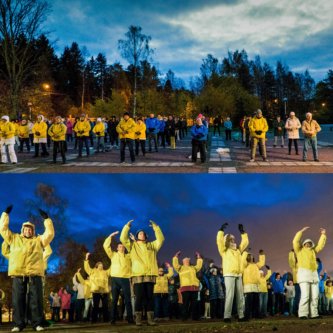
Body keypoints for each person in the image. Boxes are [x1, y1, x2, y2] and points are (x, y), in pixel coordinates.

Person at [0, 205, 54, 332]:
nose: (28, 231)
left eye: (30, 229)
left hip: (35, 273)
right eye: (26, 229)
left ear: (33, 231)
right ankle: (18, 324)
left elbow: (50, 234)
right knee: (18, 299)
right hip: (18, 273)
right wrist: (5, 214)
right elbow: (3, 229)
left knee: (36, 299)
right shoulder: (14, 238)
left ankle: (37, 324)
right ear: (22, 230)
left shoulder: (39, 240)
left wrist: (47, 219)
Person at [120, 219, 164, 326]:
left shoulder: (152, 246)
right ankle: (138, 319)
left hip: (149, 275)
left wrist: (156, 227)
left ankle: (150, 320)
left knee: (150, 298)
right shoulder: (132, 246)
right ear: (137, 236)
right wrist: (127, 226)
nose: (142, 234)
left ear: (146, 236)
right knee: (139, 297)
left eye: (143, 233)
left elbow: (161, 239)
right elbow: (122, 238)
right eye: (139, 233)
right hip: (138, 275)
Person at [216, 223, 248, 322]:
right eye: (230, 239)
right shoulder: (224, 250)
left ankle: (241, 315)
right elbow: (219, 242)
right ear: (226, 240)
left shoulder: (238, 250)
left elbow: (245, 243)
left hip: (238, 274)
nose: (233, 240)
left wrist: (243, 233)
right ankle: (227, 316)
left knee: (240, 296)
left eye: (233, 239)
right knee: (230, 295)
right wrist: (221, 231)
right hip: (229, 274)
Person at [293, 226, 326, 319]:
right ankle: (303, 314)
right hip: (303, 275)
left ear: (311, 244)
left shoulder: (313, 251)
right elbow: (295, 242)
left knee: (315, 296)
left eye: (309, 243)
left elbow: (320, 246)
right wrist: (301, 231)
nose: (308, 244)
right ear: (303, 244)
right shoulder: (299, 251)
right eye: (306, 243)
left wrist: (323, 235)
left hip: (314, 275)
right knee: (305, 295)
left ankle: (314, 314)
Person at [103, 231, 134, 325]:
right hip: (115, 279)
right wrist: (110, 236)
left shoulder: (129, 256)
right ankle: (112, 320)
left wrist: (133, 241)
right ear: (117, 248)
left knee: (128, 300)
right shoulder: (113, 255)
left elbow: (134, 251)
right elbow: (106, 246)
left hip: (125, 279)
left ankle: (130, 319)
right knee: (114, 300)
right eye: (120, 246)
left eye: (123, 246)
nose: (122, 248)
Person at [172, 251, 203, 321]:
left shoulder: (193, 268)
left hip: (194, 288)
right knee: (185, 304)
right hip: (185, 288)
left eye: (188, 260)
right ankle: (184, 317)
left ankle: (194, 317)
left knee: (194, 304)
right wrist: (176, 256)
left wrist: (199, 257)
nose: (187, 261)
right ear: (183, 262)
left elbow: (199, 266)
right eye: (186, 261)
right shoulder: (180, 268)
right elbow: (175, 265)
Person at [83, 252, 110, 323]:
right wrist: (86, 258)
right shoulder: (93, 271)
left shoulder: (105, 272)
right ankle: (94, 320)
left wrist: (113, 260)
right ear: (97, 266)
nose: (101, 266)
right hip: (96, 291)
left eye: (102, 265)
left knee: (105, 306)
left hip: (104, 291)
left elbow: (111, 269)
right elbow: (86, 268)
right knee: (95, 306)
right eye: (100, 265)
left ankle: (106, 320)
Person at [242, 250, 265, 320]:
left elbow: (262, 263)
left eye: (251, 256)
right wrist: (245, 252)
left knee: (256, 302)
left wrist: (261, 255)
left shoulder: (256, 265)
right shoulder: (245, 264)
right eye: (249, 256)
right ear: (247, 257)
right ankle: (247, 316)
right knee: (248, 302)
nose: (251, 256)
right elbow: (242, 260)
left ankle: (257, 315)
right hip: (248, 285)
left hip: (256, 285)